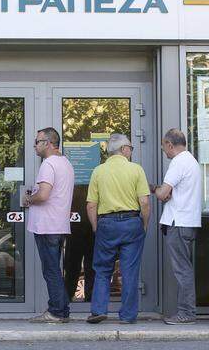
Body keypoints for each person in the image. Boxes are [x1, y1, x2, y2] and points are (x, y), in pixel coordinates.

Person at [85, 134, 150, 324]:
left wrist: (97, 227)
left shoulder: (98, 171)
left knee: (103, 269)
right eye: (130, 147)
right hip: (131, 223)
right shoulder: (136, 170)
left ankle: (98, 310)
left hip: (107, 224)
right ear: (123, 149)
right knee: (129, 271)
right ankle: (128, 316)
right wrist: (144, 224)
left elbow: (91, 204)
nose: (131, 150)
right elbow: (144, 202)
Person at [24, 127, 75, 323]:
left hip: (47, 225)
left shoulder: (49, 164)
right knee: (55, 268)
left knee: (51, 270)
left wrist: (29, 199)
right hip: (59, 224)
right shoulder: (66, 163)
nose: (35, 146)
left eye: (37, 142)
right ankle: (61, 309)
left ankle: (57, 312)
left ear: (48, 143)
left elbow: (44, 195)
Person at [152, 129, 201, 325]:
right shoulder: (192, 161)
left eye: (164, 146)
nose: (164, 151)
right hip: (187, 222)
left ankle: (186, 313)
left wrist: (154, 188)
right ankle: (186, 311)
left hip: (178, 222)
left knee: (182, 270)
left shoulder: (178, 162)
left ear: (170, 144)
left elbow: (163, 193)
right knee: (185, 268)